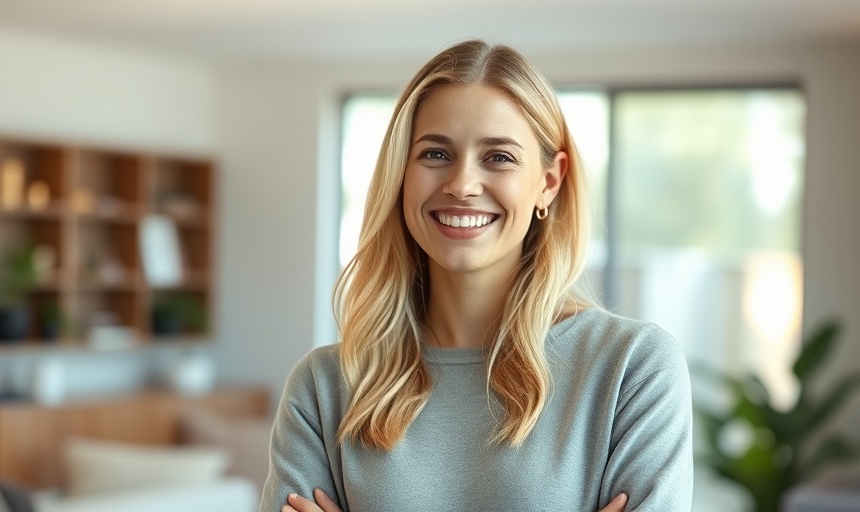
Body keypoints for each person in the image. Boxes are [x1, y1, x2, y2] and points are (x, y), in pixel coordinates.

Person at [260, 39, 693, 512]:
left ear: (548, 182)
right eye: (435, 154)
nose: (462, 184)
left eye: (499, 157)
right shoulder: (323, 389)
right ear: (401, 172)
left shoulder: (633, 369)